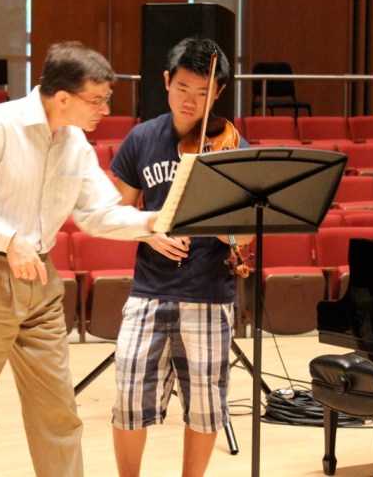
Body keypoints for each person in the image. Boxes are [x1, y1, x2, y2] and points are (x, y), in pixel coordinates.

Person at [0, 41, 161, 477]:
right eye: (98, 99)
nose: (106, 109)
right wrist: (8, 239)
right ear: (63, 97)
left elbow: (98, 213)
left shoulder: (75, 143)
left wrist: (152, 222)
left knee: (59, 416)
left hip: (42, 281)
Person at [108, 36, 250, 477]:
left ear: (218, 92)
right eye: (183, 87)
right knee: (128, 397)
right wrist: (150, 233)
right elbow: (116, 213)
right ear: (167, 81)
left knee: (206, 406)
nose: (191, 101)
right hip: (149, 290)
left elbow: (245, 233)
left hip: (208, 291)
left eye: (203, 92)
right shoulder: (142, 138)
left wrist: (223, 225)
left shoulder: (232, 146)